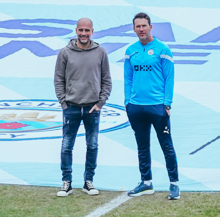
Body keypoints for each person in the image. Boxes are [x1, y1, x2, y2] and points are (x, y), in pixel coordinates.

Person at [122, 12, 179, 199]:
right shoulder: (131, 51)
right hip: (136, 107)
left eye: (144, 26)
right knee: (142, 146)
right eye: (137, 26)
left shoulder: (163, 50)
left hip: (157, 107)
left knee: (166, 146)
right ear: (134, 29)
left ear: (150, 27)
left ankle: (174, 184)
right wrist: (127, 102)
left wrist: (167, 103)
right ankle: (146, 183)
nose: (141, 29)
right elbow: (128, 79)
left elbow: (169, 79)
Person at [53, 18, 112, 197]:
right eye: (81, 30)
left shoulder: (100, 52)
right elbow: (58, 80)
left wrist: (100, 103)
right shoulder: (64, 53)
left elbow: (106, 80)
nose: (84, 34)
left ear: (92, 32)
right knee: (66, 146)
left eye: (87, 30)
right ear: (76, 31)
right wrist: (64, 103)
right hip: (71, 107)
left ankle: (88, 182)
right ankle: (67, 183)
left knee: (92, 145)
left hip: (92, 109)